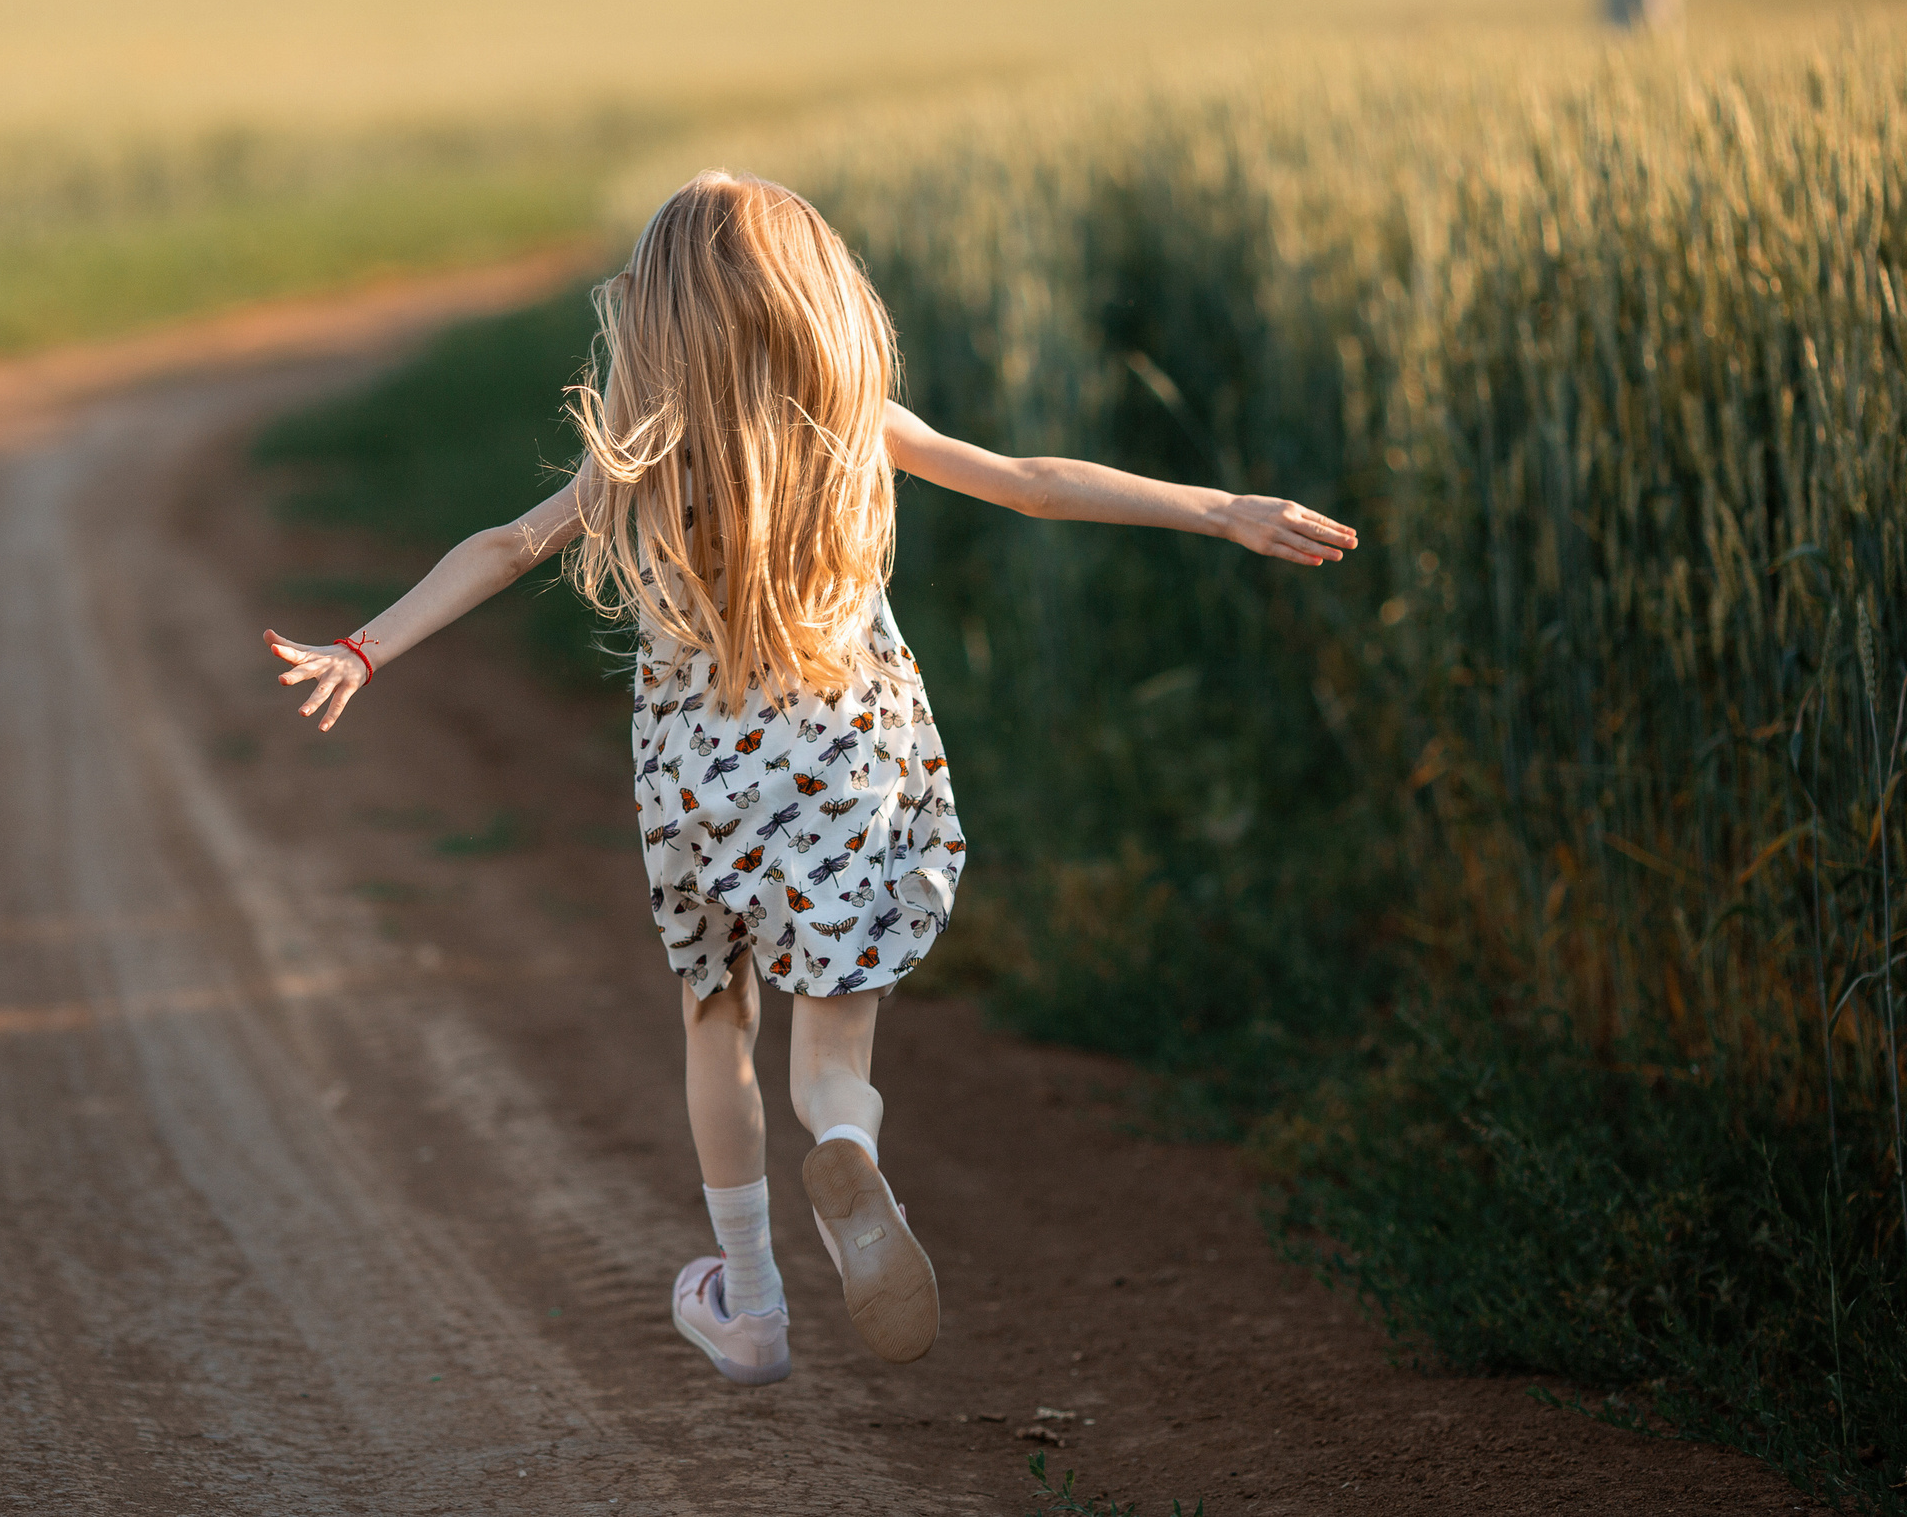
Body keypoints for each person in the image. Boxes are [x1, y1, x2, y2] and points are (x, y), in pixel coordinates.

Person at [263, 171, 1355, 1385]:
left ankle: (751, 1305)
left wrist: (365, 646)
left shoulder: (645, 456)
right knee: (831, 1056)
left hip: (700, 790)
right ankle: (845, 1143)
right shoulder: (850, 422)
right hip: (845, 767)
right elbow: (1035, 483)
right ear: (811, 295)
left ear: (662, 318)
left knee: (715, 1022)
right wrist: (1224, 509)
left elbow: (506, 547)